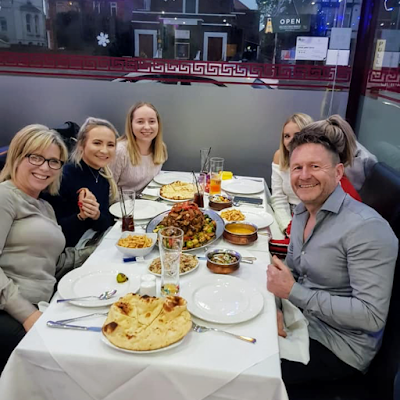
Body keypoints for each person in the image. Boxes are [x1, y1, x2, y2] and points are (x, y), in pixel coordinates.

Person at [267, 131, 398, 389]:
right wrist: (277, 309)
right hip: (301, 319)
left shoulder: (366, 228)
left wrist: (293, 293)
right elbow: (290, 271)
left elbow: (371, 316)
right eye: (297, 168)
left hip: (339, 347)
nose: (304, 175)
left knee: (244, 367)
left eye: (315, 166)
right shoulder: (302, 211)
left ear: (338, 172)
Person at [0, 125, 68, 373]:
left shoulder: (44, 207)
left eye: (53, 161)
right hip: (11, 312)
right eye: (36, 157)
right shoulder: (5, 197)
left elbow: (52, 261)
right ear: (17, 156)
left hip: (41, 304)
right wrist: (27, 314)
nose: (45, 168)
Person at [45, 117, 117, 248]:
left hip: (94, 241)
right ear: (81, 145)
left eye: (110, 145)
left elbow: (104, 223)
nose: (104, 150)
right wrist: (81, 216)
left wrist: (96, 215)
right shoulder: (64, 176)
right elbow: (53, 231)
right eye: (97, 143)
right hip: (69, 251)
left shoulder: (102, 178)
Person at [110, 102, 168, 194]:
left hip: (149, 200)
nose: (147, 127)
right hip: (124, 202)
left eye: (152, 121)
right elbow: (108, 190)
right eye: (140, 122)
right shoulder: (119, 151)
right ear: (131, 125)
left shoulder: (161, 147)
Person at [271, 113, 314, 234]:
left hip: (312, 217)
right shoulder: (280, 156)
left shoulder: (320, 162)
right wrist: (287, 227)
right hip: (286, 214)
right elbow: (278, 198)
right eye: (287, 136)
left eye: (297, 135)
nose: (290, 141)